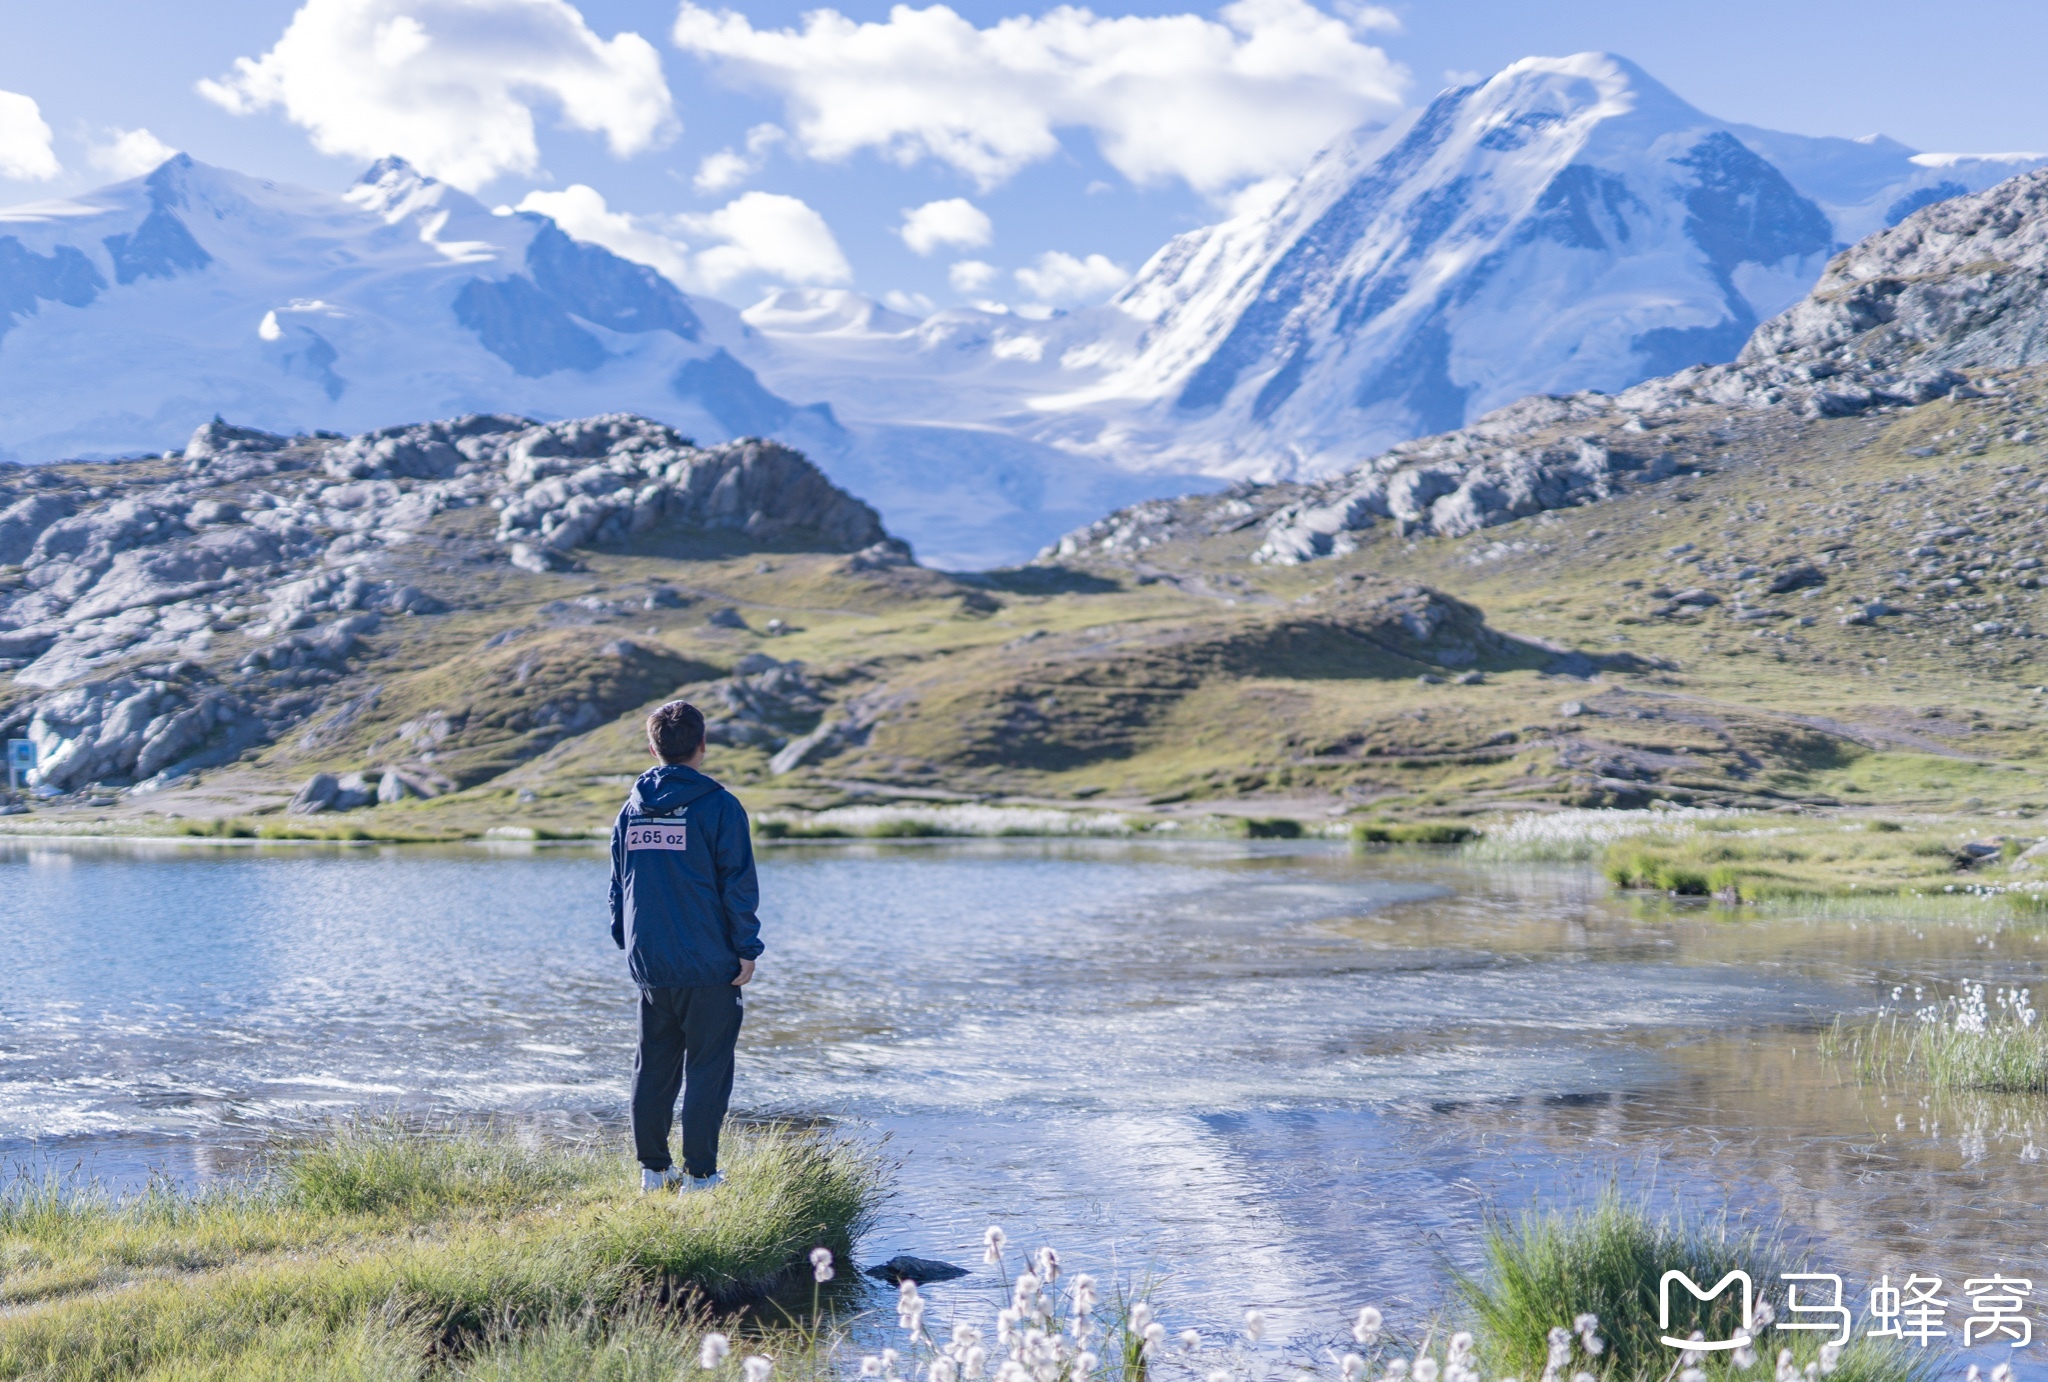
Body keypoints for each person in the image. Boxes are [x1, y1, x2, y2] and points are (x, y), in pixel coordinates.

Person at [608, 699, 762, 1193]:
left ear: (653, 748)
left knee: (653, 1065)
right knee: (707, 1069)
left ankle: (653, 1172)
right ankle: (700, 1175)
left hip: (651, 962)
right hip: (709, 963)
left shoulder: (630, 811)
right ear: (702, 746)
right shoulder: (720, 805)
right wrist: (747, 948)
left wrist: (629, 943)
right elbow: (737, 884)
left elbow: (619, 887)